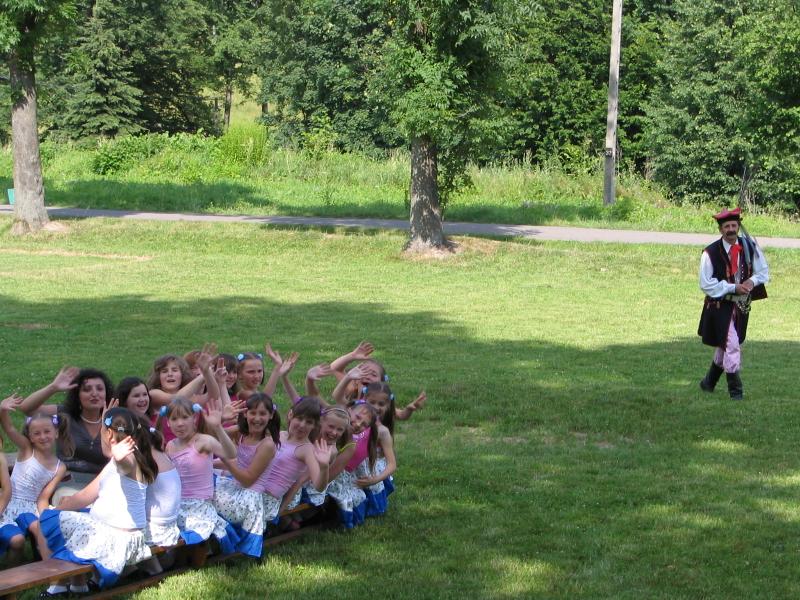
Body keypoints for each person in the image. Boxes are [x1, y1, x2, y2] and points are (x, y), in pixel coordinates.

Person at [39, 407, 157, 592]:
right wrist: (59, 509)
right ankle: (78, 585)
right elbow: (85, 496)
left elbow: (125, 465)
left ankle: (58, 585)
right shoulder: (131, 457)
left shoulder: (129, 460)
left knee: (52, 520)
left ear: (109, 434)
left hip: (117, 538)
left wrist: (119, 458)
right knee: (69, 514)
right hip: (115, 532)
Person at [698, 207, 769, 400]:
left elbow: (763, 271)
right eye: (726, 226)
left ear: (738, 226)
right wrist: (732, 287)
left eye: (733, 225)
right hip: (719, 306)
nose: (731, 229)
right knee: (732, 345)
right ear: (720, 229)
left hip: (741, 306)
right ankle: (736, 392)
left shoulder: (749, 246)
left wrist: (751, 281)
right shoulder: (710, 253)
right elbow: (705, 284)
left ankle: (708, 383)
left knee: (726, 344)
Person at [17, 367, 114, 503]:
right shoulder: (65, 414)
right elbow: (26, 408)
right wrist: (53, 387)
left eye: (99, 389)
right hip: (67, 482)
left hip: (102, 484)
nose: (94, 393)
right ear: (77, 395)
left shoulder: (113, 421)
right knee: (70, 502)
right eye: (87, 389)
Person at [0, 394, 71, 563]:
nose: (42, 436)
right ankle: (12, 572)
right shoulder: (27, 449)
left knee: (43, 530)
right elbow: (9, 428)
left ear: (56, 433)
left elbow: (43, 497)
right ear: (30, 437)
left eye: (47, 431)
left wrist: (45, 517)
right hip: (9, 502)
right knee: (17, 542)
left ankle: (51, 567)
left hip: (30, 508)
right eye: (37, 433)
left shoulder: (59, 467)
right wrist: (3, 410)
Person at [213, 393, 280, 557]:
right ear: (245, 413)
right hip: (235, 487)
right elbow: (211, 435)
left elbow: (247, 480)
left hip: (247, 498)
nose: (257, 418)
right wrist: (221, 419)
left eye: (262, 414)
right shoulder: (242, 433)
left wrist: (225, 458)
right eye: (253, 413)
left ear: (271, 415)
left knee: (203, 494)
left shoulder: (267, 444)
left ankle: (220, 537)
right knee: (202, 480)